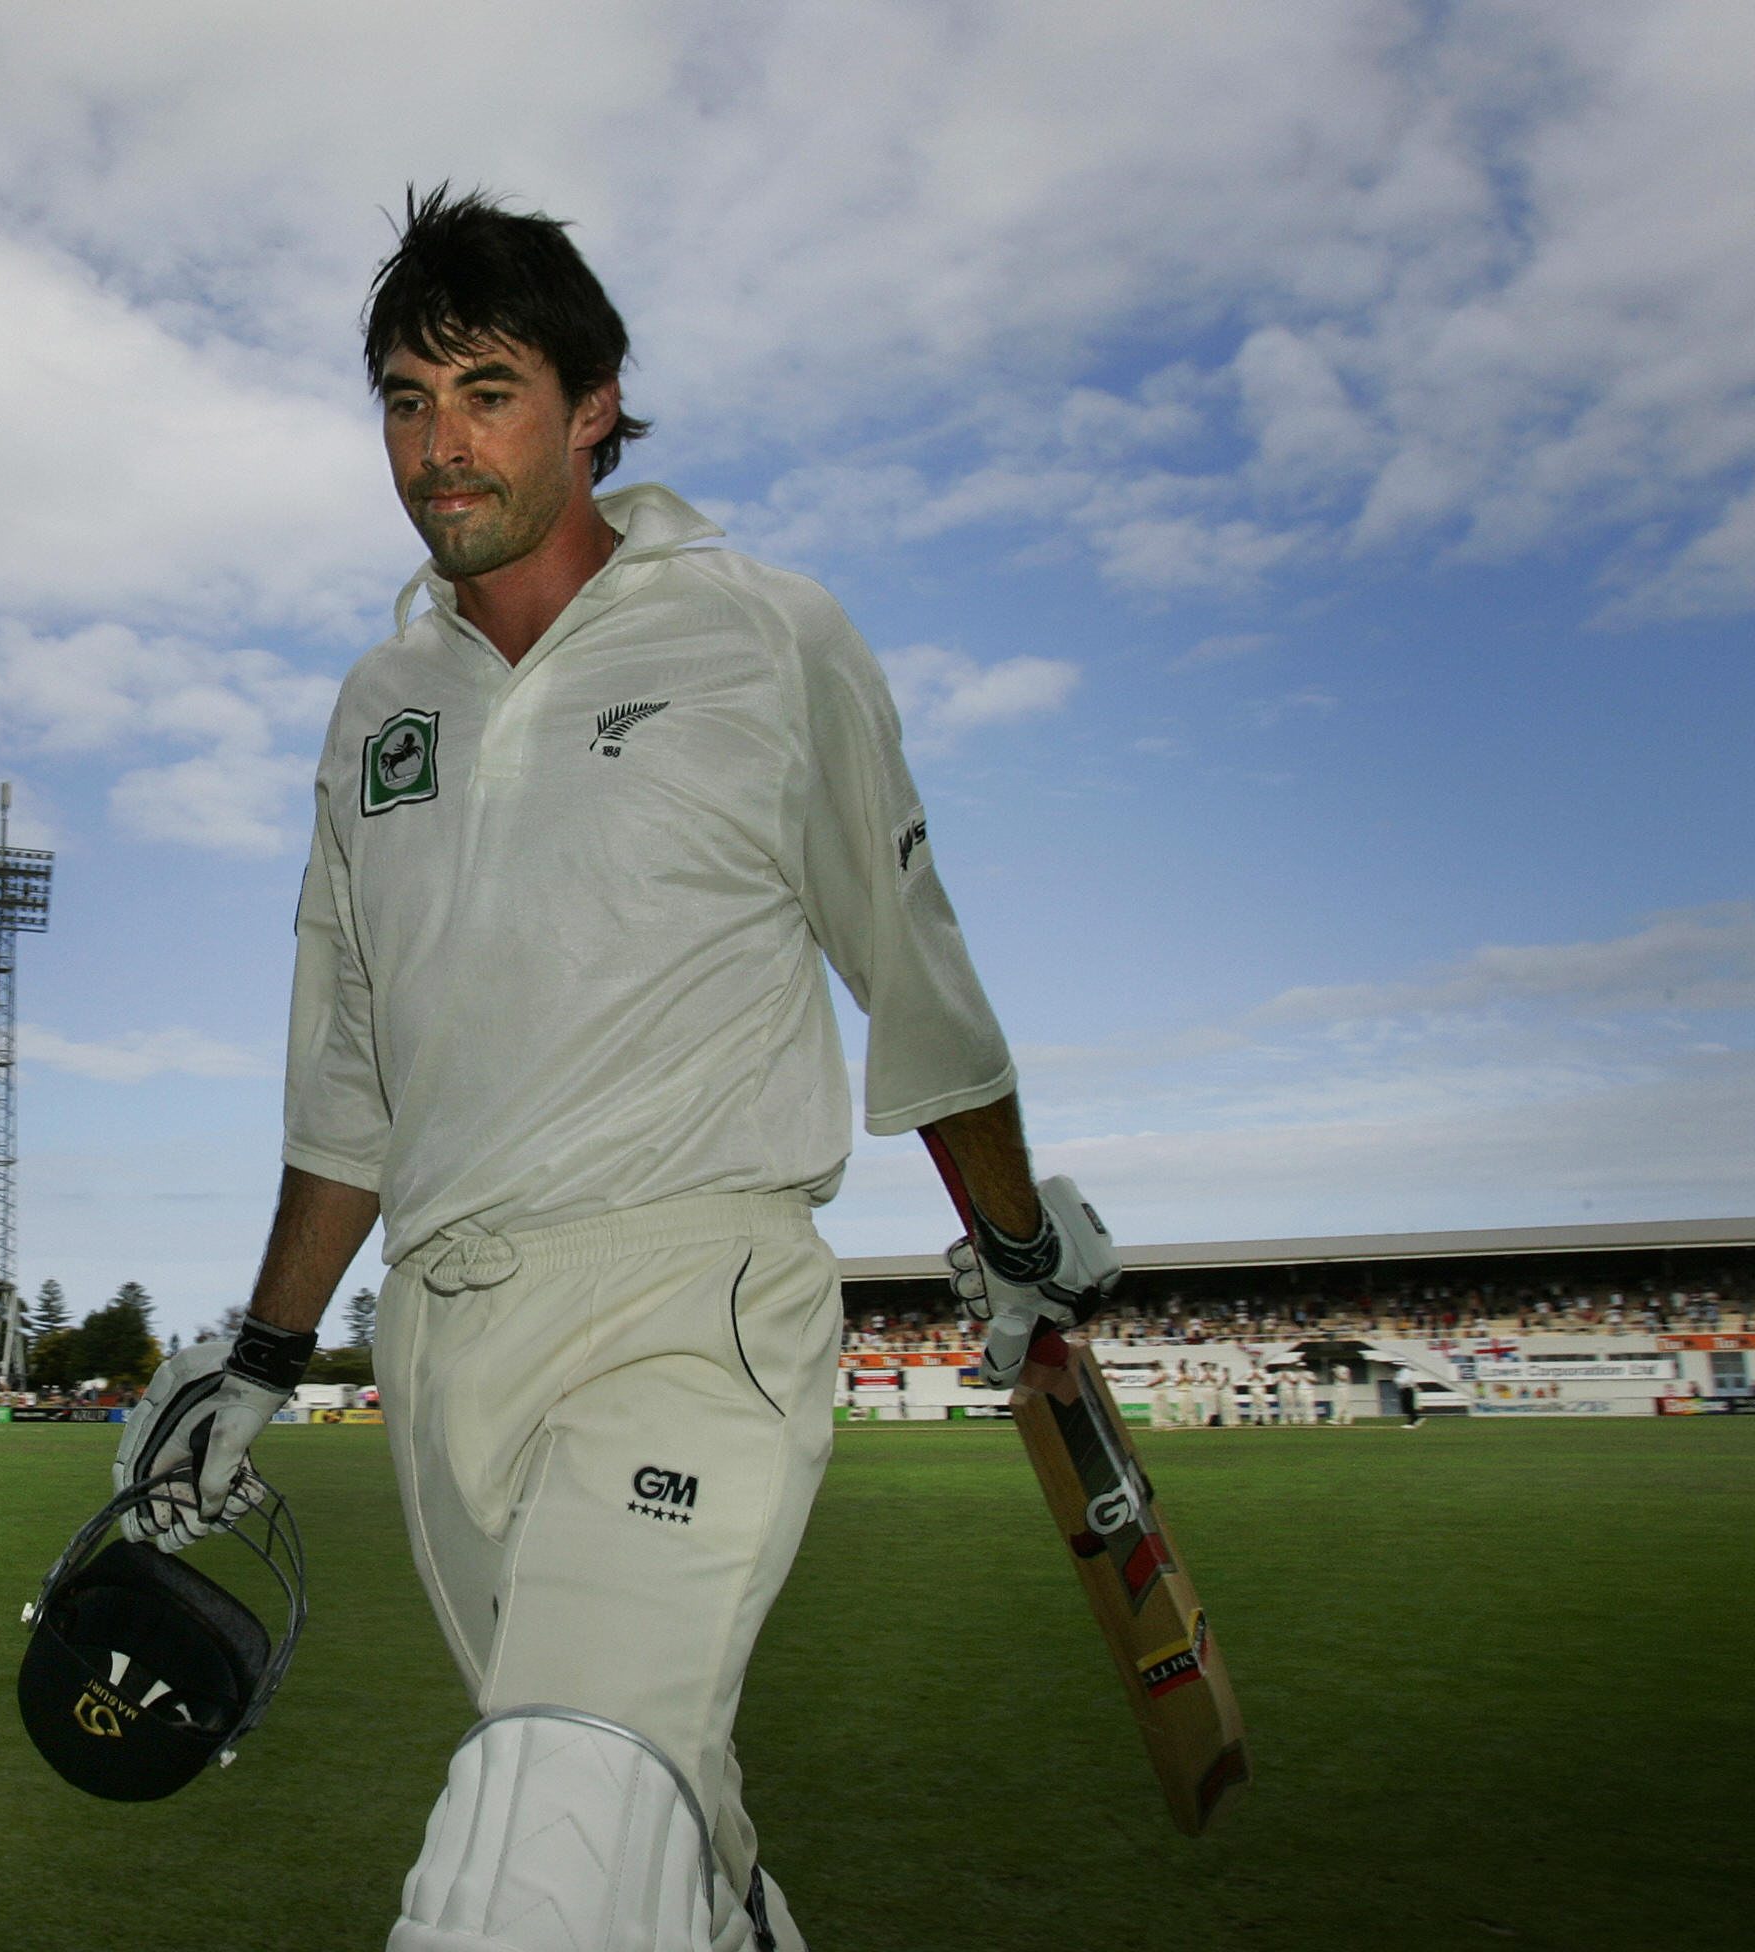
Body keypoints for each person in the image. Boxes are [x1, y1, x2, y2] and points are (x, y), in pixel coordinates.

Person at [114, 189, 1114, 1952]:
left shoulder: (764, 634)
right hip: (442, 1336)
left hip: (689, 1299)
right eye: (407, 402)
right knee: (646, 1814)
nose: (440, 446)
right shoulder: (375, 709)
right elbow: (348, 1077)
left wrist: (1015, 1243)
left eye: (488, 392)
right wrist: (263, 1357)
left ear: (594, 407)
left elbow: (914, 975)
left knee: (541, 1846)